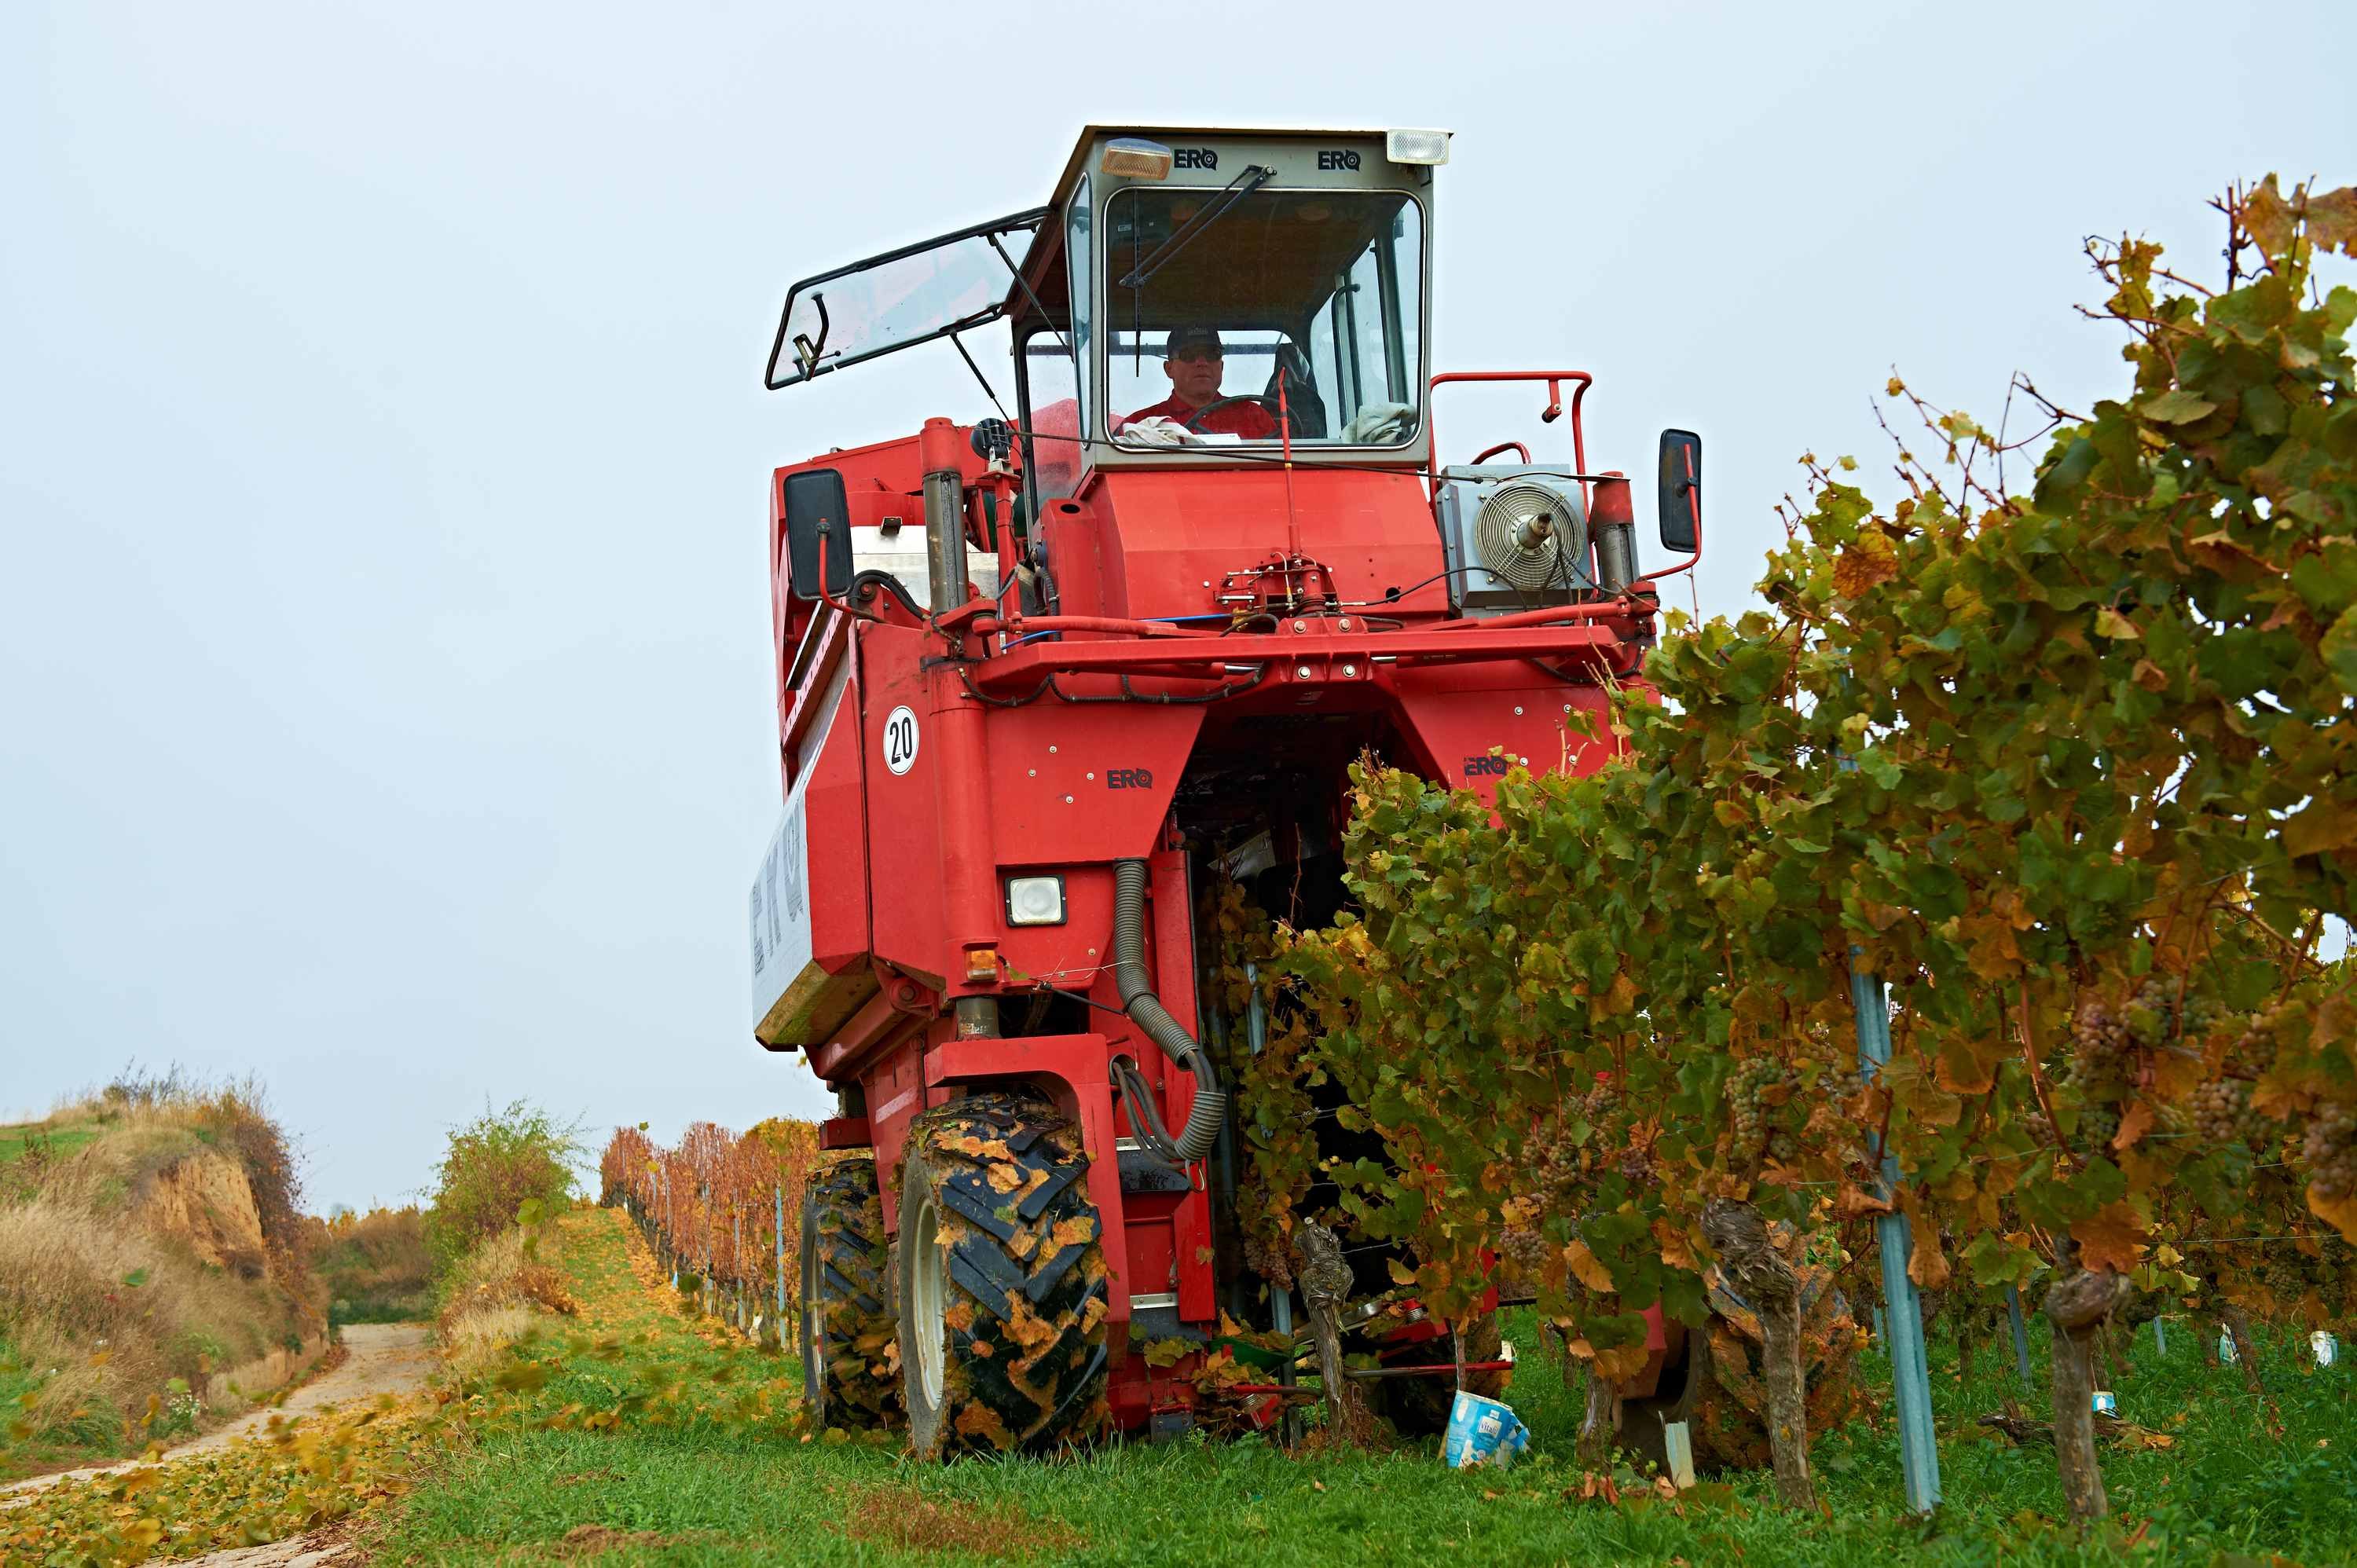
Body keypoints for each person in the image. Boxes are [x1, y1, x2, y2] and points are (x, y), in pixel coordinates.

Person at [1120, 327, 1279, 441]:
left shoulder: (1254, 417)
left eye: (1212, 354)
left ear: (1222, 366)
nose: (1202, 362)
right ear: (1169, 369)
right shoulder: (1137, 425)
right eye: (1189, 355)